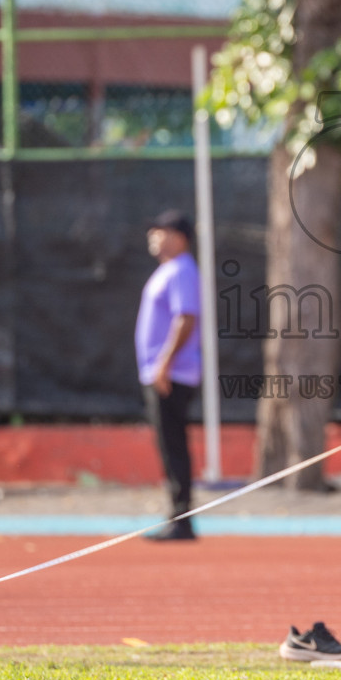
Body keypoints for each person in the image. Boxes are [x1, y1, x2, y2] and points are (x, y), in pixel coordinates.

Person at [135, 210, 203, 542]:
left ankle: (182, 518)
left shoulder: (181, 271)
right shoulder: (169, 270)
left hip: (171, 374)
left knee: (174, 445)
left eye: (159, 231)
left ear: (179, 237)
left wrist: (163, 365)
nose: (153, 236)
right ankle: (178, 515)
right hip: (163, 372)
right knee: (168, 445)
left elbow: (186, 318)